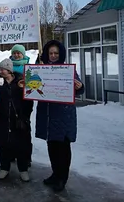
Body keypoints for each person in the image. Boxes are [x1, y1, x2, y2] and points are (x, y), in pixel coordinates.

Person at [35, 40, 84, 192]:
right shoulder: (41, 69)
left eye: (56, 53)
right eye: (51, 53)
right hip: (47, 114)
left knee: (63, 147)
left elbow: (80, 89)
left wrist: (79, 86)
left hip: (63, 114)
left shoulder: (67, 69)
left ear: (60, 53)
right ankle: (55, 174)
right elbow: (33, 87)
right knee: (52, 146)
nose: (53, 55)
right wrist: (27, 86)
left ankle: (62, 178)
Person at [0, 59, 33, 182]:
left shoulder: (21, 82)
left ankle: (23, 169)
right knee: (4, 144)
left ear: (10, 70)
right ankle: (4, 168)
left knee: (21, 145)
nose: (0, 71)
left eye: (3, 69)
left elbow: (29, 99)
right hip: (2, 119)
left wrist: (25, 115)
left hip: (19, 120)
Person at [9, 44, 32, 166]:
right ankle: (12, 154)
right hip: (11, 102)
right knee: (12, 129)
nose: (16, 55)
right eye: (15, 53)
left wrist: (40, 65)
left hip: (25, 102)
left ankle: (26, 157)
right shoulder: (8, 66)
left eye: (19, 53)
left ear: (23, 54)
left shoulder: (29, 68)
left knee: (24, 129)